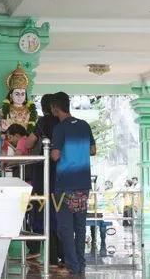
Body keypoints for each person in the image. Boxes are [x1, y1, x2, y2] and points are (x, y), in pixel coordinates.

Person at [50, 92, 96, 275]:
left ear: (55, 108)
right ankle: (81, 263)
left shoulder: (59, 129)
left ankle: (72, 265)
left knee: (65, 228)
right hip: (83, 184)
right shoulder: (84, 125)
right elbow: (93, 150)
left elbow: (55, 155)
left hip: (64, 185)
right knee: (80, 226)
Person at [24, 94, 63, 268]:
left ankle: (48, 255)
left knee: (42, 210)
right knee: (59, 212)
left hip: (43, 171)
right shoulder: (64, 122)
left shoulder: (43, 122)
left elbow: (29, 143)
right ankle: (63, 255)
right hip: (62, 170)